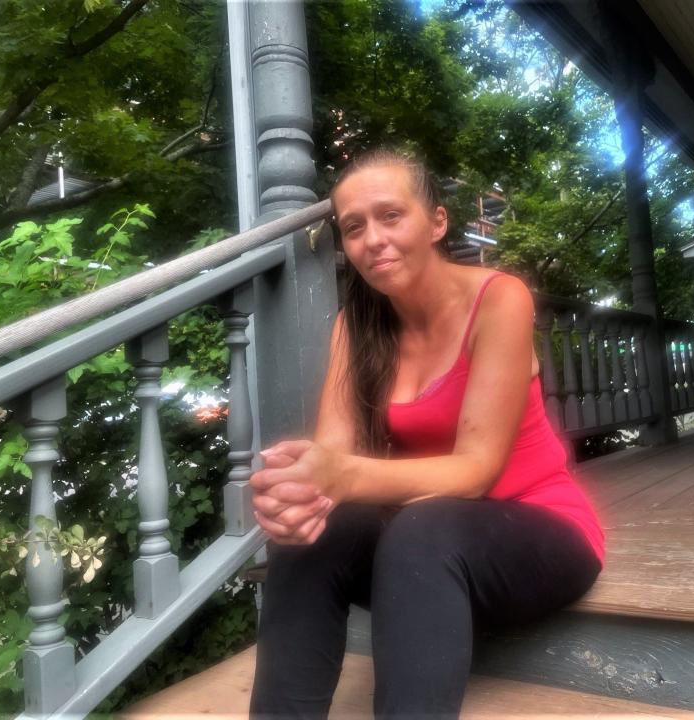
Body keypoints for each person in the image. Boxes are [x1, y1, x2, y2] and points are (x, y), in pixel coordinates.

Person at [248, 148, 605, 719]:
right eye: (355, 227)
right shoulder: (354, 324)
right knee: (318, 530)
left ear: (436, 222)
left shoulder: (499, 298)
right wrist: (300, 492)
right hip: (421, 559)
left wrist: (342, 476)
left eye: (392, 215)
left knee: (423, 525)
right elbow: (333, 452)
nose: (374, 239)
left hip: (538, 534)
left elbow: (476, 469)